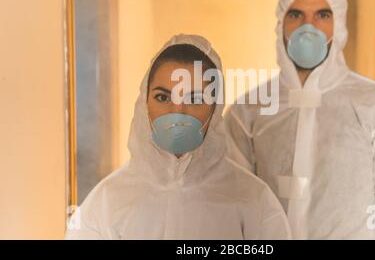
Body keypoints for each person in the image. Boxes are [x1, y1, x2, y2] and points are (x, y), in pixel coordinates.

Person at [224, 0, 375, 239]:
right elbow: (229, 212)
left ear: (339, 24)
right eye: (296, 14)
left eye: (322, 15)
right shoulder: (248, 112)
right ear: (280, 24)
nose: (308, 27)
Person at [65, 34, 291, 239]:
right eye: (163, 98)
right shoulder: (106, 202)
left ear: (215, 109)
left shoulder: (253, 200)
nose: (177, 112)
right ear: (145, 103)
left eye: (194, 99)